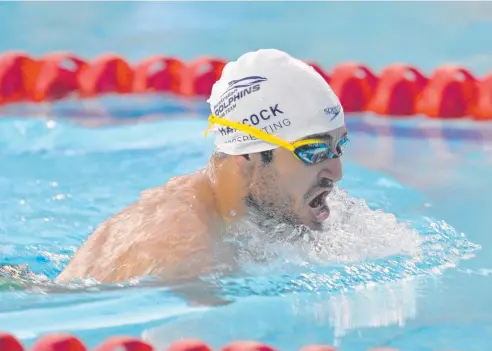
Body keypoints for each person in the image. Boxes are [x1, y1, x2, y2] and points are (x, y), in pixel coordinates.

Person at [55, 49, 348, 286]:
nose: (336, 172)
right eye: (314, 151)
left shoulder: (234, 213)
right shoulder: (188, 257)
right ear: (247, 157)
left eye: (339, 147)